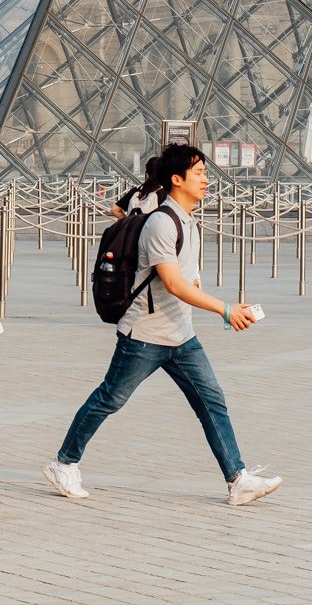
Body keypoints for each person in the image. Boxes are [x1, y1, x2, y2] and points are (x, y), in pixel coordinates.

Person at [43, 143, 281, 508]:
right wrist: (224, 309)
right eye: (199, 173)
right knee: (110, 399)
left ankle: (238, 479)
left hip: (181, 336)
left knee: (212, 401)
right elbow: (173, 283)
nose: (206, 179)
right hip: (145, 335)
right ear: (176, 179)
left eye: (205, 173)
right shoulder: (160, 223)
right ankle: (63, 464)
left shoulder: (189, 221)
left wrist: (227, 309)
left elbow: (189, 281)